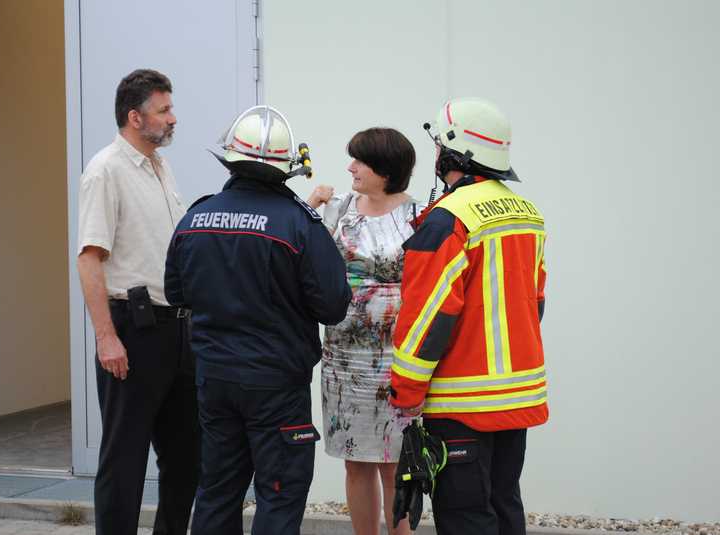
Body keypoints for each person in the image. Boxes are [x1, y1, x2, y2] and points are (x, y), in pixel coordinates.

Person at [164, 105, 352, 535]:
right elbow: (333, 306)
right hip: (275, 384)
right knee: (279, 493)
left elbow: (176, 293)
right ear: (287, 167)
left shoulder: (196, 217)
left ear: (230, 158)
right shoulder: (300, 224)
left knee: (216, 491)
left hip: (213, 379)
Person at [388, 98, 548, 535]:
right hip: (516, 399)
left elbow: (428, 317)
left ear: (452, 153)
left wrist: (406, 391)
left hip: (463, 403)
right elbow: (535, 304)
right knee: (504, 506)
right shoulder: (526, 213)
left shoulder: (449, 219)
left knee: (465, 518)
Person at [76, 69, 200, 535]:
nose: (173, 118)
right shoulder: (105, 170)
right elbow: (89, 260)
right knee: (124, 459)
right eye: (163, 110)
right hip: (132, 328)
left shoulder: (160, 167)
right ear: (135, 117)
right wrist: (106, 338)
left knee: (187, 456)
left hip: (178, 330)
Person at [307, 127, 420, 535]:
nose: (350, 167)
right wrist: (310, 205)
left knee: (394, 461)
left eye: (359, 160)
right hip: (344, 358)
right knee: (355, 460)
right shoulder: (340, 208)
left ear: (385, 170)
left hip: (396, 359)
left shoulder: (420, 215)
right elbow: (301, 249)